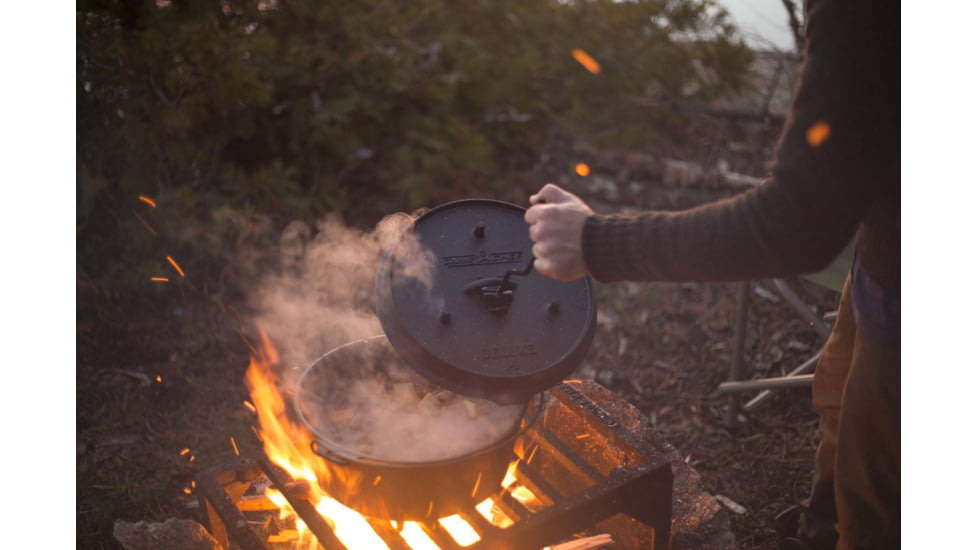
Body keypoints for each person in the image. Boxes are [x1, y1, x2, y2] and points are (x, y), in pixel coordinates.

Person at [523, 1, 899, 549]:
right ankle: (819, 533)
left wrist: (596, 242)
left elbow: (797, 227)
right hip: (885, 249)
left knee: (884, 507)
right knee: (839, 405)